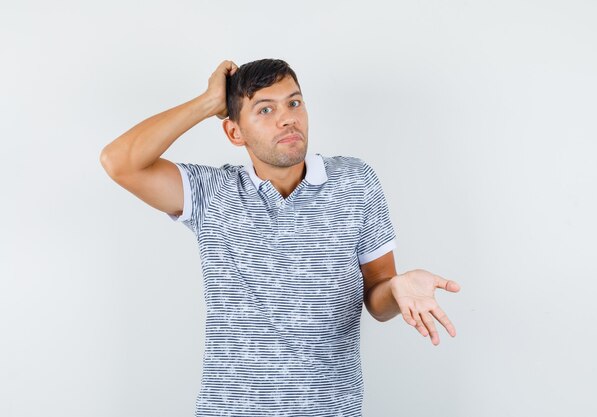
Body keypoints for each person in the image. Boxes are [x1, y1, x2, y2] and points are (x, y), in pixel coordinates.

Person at [100, 58, 461, 416]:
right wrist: (208, 102)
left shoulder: (355, 182)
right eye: (265, 109)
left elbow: (378, 299)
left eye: (294, 102)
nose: (287, 117)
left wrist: (397, 289)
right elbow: (119, 162)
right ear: (234, 133)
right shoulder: (211, 192)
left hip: (331, 409)